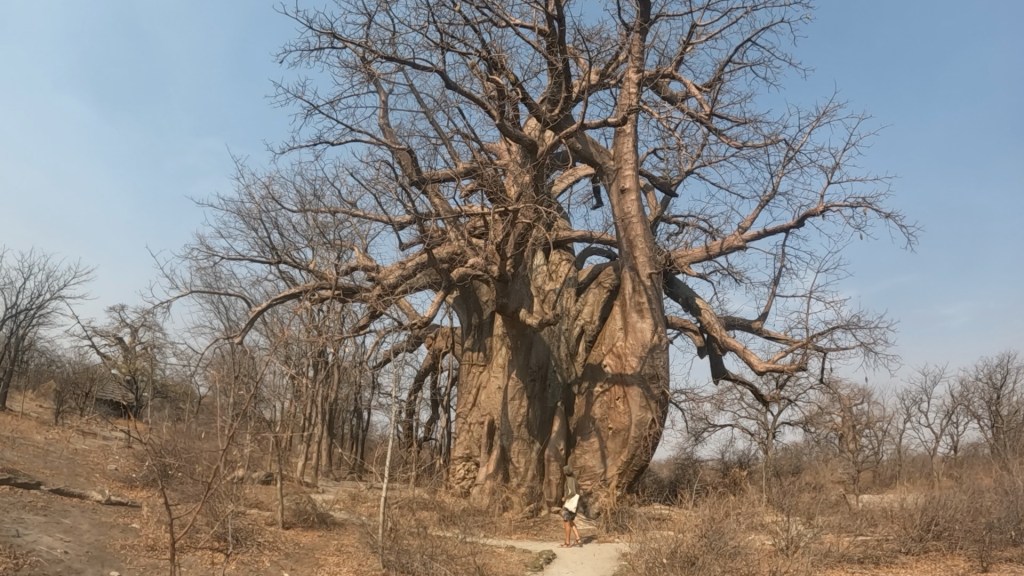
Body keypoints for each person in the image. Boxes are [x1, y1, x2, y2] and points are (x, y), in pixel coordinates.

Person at [560, 465, 583, 548]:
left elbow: (572, 492)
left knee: (566, 523)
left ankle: (567, 543)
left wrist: (565, 498)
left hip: (570, 504)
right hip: (575, 504)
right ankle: (578, 539)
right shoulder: (574, 479)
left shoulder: (569, 480)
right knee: (570, 521)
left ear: (565, 472)